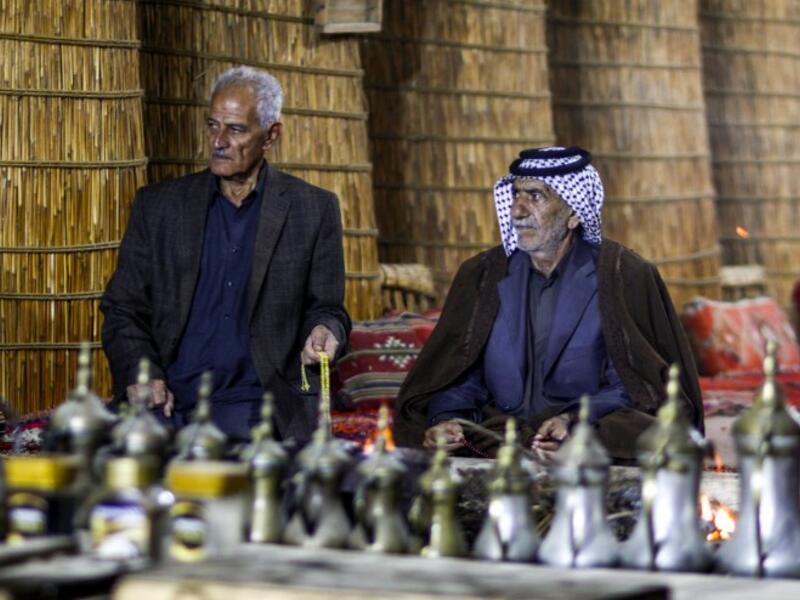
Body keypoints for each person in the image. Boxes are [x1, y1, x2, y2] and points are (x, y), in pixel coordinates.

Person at [394, 147, 702, 461]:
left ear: (574, 214)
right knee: (419, 431)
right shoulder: (482, 275)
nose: (517, 210)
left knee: (659, 435)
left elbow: (634, 384)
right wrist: (447, 419)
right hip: (499, 431)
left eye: (536, 196)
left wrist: (573, 420)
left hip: (589, 428)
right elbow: (460, 371)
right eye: (516, 195)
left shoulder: (623, 275)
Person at [101, 66, 351, 442]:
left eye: (235, 129)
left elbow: (329, 309)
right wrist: (143, 374)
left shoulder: (312, 209)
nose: (218, 141)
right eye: (212, 125)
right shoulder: (159, 206)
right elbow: (123, 307)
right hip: (167, 399)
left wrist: (324, 331)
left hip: (256, 402)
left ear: (271, 135)